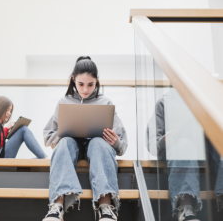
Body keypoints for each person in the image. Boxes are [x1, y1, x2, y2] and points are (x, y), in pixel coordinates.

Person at [42, 56, 128, 221]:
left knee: (98, 143)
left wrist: (115, 141)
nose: (86, 90)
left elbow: (122, 146)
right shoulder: (64, 101)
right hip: (70, 147)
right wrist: (62, 134)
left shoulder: (106, 102)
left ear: (97, 81)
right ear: (73, 80)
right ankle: (56, 207)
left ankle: (106, 208)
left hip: (97, 149)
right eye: (81, 84)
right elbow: (48, 136)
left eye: (91, 84)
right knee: (66, 142)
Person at [146, 91, 223, 221]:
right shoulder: (164, 102)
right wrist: (164, 141)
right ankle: (185, 208)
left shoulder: (205, 100)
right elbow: (152, 143)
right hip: (175, 149)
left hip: (202, 151)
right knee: (184, 144)